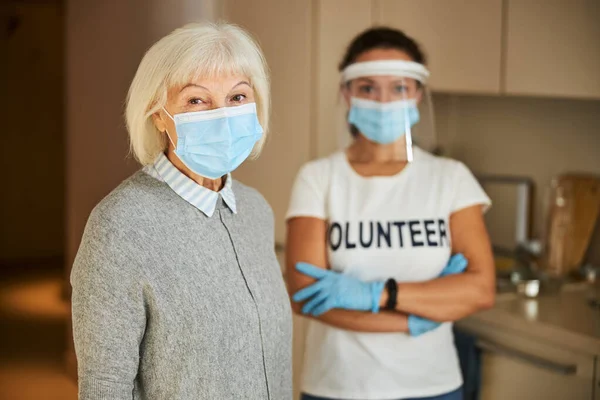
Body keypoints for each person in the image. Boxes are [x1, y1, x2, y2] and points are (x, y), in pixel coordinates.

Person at [71, 22, 292, 400]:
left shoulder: (256, 210)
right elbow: (104, 387)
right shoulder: (120, 225)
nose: (223, 115)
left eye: (237, 97)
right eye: (196, 100)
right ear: (158, 115)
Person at [286, 27, 495, 400]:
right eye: (367, 87)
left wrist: (378, 294)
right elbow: (304, 294)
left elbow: (480, 290)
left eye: (399, 87)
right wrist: (421, 314)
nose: (383, 101)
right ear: (346, 94)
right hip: (338, 387)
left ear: (417, 94)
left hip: (433, 387)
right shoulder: (318, 178)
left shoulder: (451, 178)